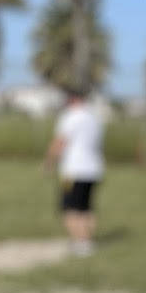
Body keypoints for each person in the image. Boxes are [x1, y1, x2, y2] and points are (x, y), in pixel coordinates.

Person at [44, 92, 105, 255]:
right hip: (94, 169)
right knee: (85, 207)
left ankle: (81, 243)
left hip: (74, 170)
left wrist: (49, 161)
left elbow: (60, 141)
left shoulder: (71, 116)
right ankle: (88, 240)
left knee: (69, 207)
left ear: (71, 99)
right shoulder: (94, 117)